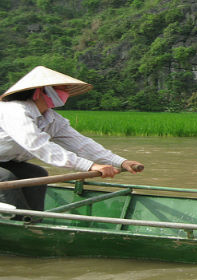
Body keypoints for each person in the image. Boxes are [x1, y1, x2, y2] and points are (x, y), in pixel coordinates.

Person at [0, 66, 144, 213]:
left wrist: (121, 162)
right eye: (61, 89)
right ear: (41, 90)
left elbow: (81, 144)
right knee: (5, 178)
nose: (65, 93)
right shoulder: (14, 111)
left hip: (7, 161)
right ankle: (17, 223)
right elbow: (38, 145)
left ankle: (33, 221)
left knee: (37, 174)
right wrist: (89, 166)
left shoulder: (52, 119)